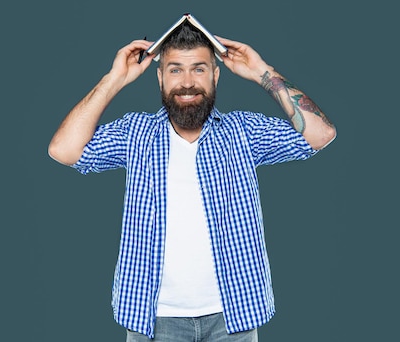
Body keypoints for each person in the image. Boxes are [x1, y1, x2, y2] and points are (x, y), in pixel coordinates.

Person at [48, 20, 336, 342]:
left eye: (199, 69)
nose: (187, 83)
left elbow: (320, 134)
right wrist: (114, 80)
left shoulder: (242, 133)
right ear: (159, 77)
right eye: (175, 70)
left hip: (234, 318)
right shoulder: (135, 134)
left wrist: (261, 72)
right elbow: (63, 150)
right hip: (152, 320)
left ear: (215, 76)